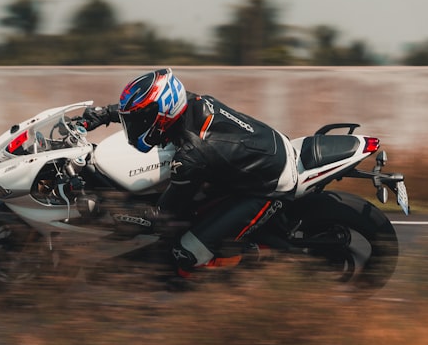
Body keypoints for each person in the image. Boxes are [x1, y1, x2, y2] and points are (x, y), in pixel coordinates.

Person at [81, 68, 298, 283]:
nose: (133, 126)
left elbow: (162, 216)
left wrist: (114, 211)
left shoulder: (191, 155)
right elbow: (143, 112)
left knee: (187, 254)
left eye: (138, 120)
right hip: (258, 155)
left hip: (270, 186)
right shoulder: (189, 104)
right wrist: (105, 114)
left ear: (162, 115)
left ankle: (267, 259)